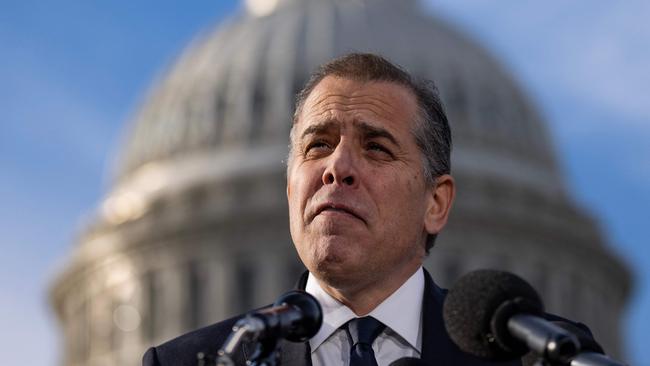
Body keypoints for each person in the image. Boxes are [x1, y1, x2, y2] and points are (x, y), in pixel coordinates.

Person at [142, 53, 589, 366]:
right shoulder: (196, 361)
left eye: (376, 148)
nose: (337, 168)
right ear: (290, 187)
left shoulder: (542, 357)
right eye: (318, 145)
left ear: (436, 203)